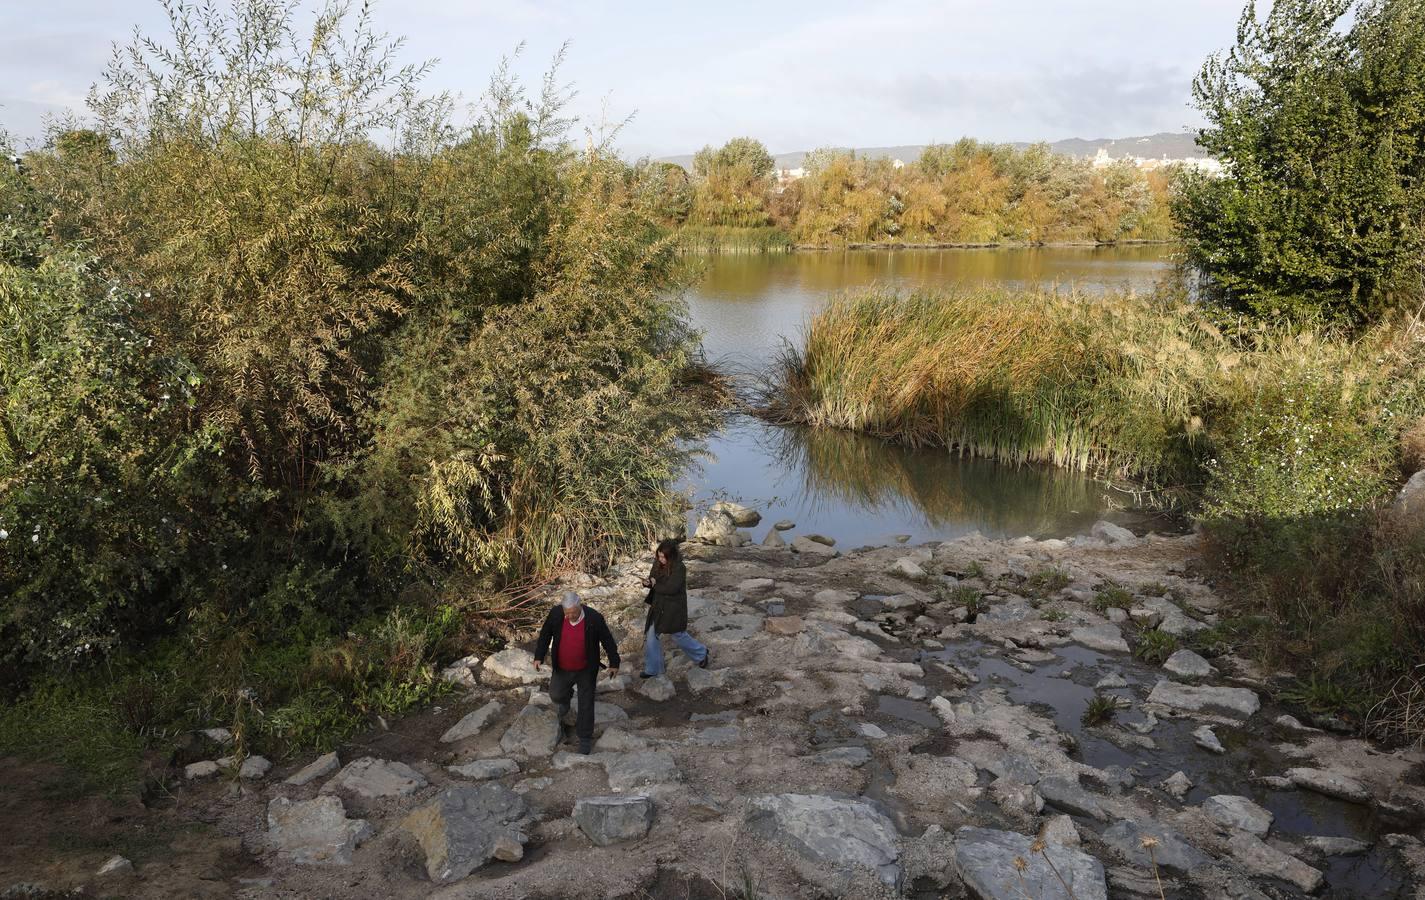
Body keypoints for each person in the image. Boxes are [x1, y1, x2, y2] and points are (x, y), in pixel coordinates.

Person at [533, 591, 620, 754]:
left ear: (580, 606)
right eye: (567, 613)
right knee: (556, 695)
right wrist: (539, 656)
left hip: (586, 669)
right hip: (563, 667)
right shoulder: (557, 614)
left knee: (586, 702)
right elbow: (545, 634)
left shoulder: (594, 618)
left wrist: (614, 662)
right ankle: (566, 700)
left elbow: (607, 639)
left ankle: (585, 739)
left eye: (573, 612)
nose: (569, 616)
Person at [641, 539, 709, 677]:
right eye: (658, 556)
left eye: (662, 557)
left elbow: (671, 588)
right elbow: (654, 575)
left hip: (673, 607)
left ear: (670, 556)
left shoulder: (679, 568)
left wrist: (654, 585)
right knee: (651, 634)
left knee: (678, 635)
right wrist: (649, 581)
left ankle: (701, 654)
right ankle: (653, 669)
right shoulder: (658, 562)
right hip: (658, 605)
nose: (660, 559)